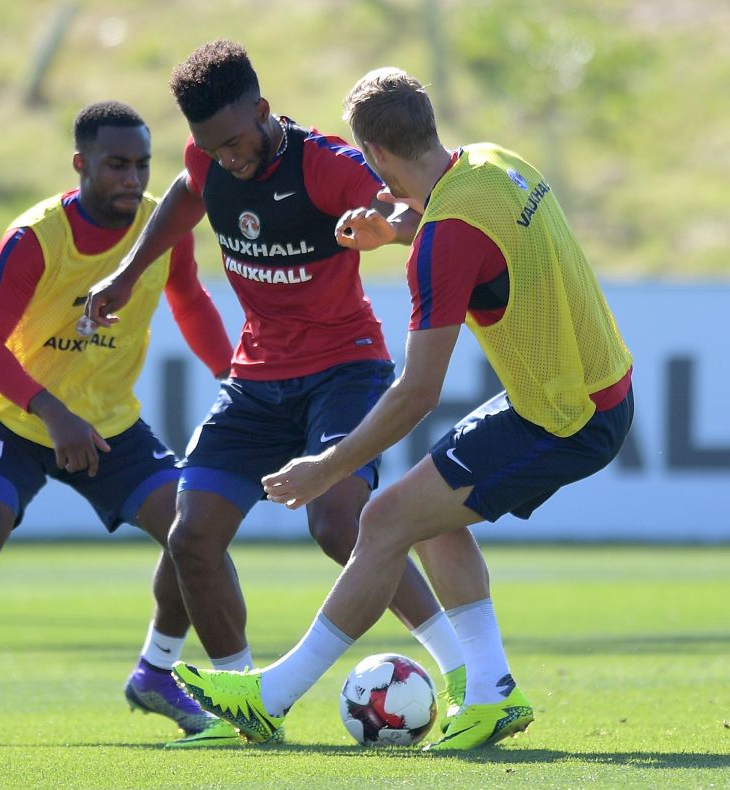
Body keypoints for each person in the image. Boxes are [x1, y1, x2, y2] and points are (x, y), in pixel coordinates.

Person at [171, 67, 634, 750]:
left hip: (566, 417)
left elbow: (417, 391)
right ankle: (489, 691)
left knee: (384, 518)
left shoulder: (444, 241)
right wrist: (393, 234)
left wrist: (326, 466)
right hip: (587, 387)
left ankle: (273, 696)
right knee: (431, 516)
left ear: (377, 155)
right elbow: (472, 237)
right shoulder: (492, 162)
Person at [85, 41, 469, 744]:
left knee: (338, 525)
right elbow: (182, 197)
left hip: (344, 371)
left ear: (263, 112)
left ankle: (463, 670)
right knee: (190, 535)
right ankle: (245, 699)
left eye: (234, 142)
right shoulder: (208, 160)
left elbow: (413, 210)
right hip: (256, 380)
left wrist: (388, 230)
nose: (225, 158)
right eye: (209, 147)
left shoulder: (324, 166)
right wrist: (127, 273)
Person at [0, 101, 239, 749]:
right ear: (80, 164)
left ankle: (156, 672)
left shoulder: (160, 227)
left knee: (192, 533)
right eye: (115, 164)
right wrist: (53, 413)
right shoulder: (36, 237)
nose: (131, 177)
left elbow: (191, 301)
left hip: (111, 425)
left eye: (142, 164)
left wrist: (234, 377)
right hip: (15, 420)